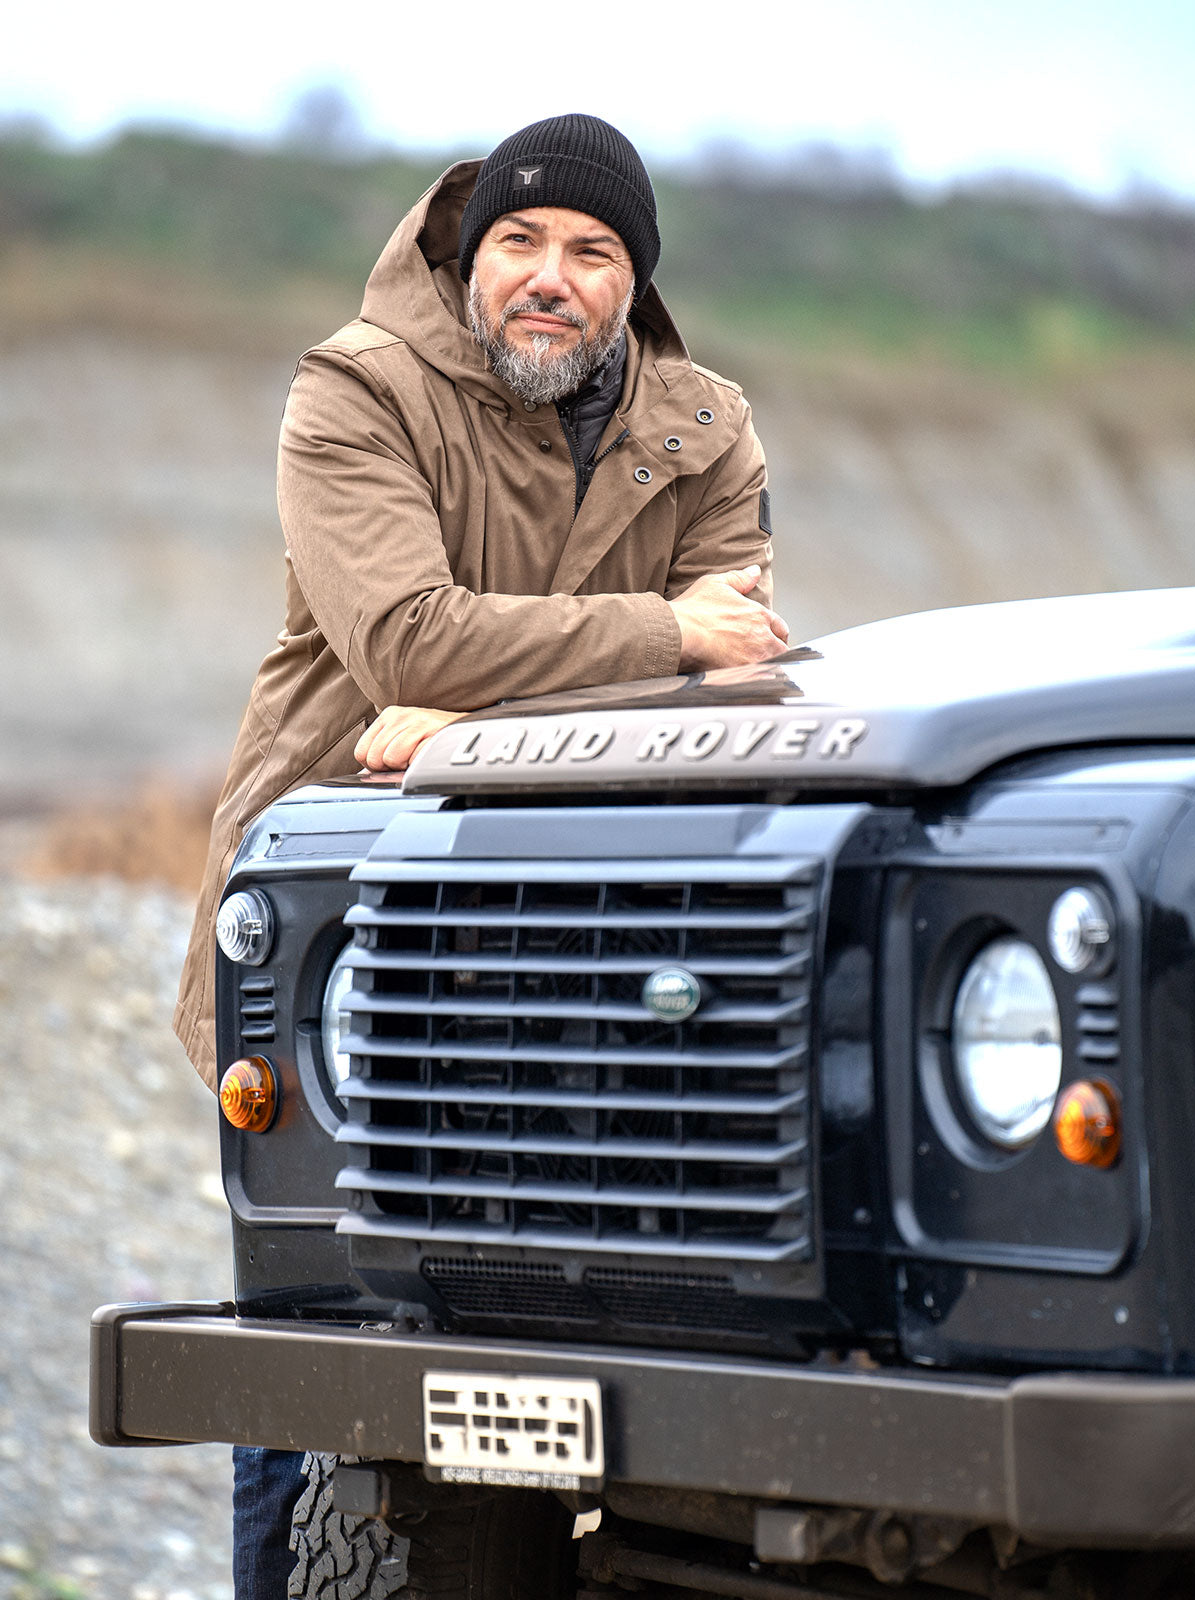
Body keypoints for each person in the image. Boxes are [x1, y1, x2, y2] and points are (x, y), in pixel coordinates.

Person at [178, 112, 788, 1596]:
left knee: (615, 1334)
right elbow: (401, 635)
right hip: (343, 937)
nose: (549, 275)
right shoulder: (353, 393)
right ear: (466, 253)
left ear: (631, 285)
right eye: (520, 239)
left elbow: (751, 661)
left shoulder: (706, 424)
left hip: (598, 941)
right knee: (334, 1362)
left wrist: (457, 721)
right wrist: (652, 638)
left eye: (592, 252)